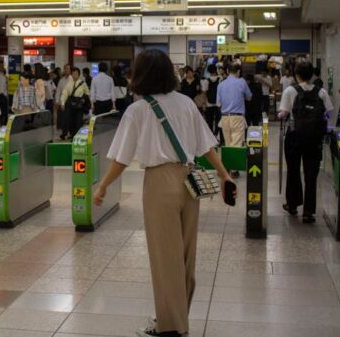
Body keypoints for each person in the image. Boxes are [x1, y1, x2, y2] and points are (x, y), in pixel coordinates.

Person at [93, 50, 234, 337]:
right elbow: (207, 145)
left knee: (164, 256)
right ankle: (175, 317)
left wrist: (104, 184)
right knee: (184, 255)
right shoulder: (185, 103)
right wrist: (224, 175)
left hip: (160, 183)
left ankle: (171, 327)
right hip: (189, 181)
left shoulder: (138, 110)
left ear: (141, 75)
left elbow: (121, 158)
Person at [278, 62, 333, 224]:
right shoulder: (321, 92)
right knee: (311, 175)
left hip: (294, 136)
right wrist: (318, 123)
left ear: (297, 75)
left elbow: (284, 113)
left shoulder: (290, 90)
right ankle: (308, 212)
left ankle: (293, 204)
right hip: (314, 138)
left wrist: (281, 116)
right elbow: (329, 112)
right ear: (312, 75)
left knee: (293, 170)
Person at [216, 64, 252, 150]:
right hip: (237, 117)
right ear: (238, 72)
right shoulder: (242, 82)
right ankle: (235, 163)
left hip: (224, 118)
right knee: (236, 146)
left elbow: (218, 104)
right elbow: (249, 97)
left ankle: (228, 163)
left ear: (227, 71)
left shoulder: (220, 84)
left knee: (228, 145)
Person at [60, 67, 90, 140]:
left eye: (76, 74)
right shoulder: (69, 84)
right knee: (70, 120)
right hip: (71, 105)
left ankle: (77, 136)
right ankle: (72, 134)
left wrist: (87, 102)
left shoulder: (83, 84)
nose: (74, 75)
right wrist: (62, 103)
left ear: (79, 75)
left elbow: (87, 93)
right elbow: (64, 93)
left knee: (78, 121)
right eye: (73, 74)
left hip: (80, 106)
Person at [201, 64, 222, 142]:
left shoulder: (206, 81)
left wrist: (203, 104)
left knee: (209, 121)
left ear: (209, 71)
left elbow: (204, 93)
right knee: (218, 120)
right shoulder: (220, 79)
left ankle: (210, 137)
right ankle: (216, 135)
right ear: (216, 70)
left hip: (208, 104)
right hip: (218, 104)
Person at [55, 64, 73, 139]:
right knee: (62, 118)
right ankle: (64, 132)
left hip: (69, 100)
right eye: (65, 68)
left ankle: (69, 133)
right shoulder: (61, 80)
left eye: (68, 69)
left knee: (68, 118)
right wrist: (57, 101)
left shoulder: (71, 79)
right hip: (62, 100)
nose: (66, 70)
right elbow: (58, 91)